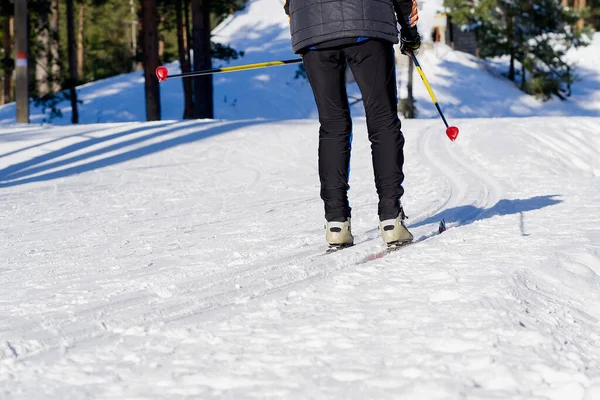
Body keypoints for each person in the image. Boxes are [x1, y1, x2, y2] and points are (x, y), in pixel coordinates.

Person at [284, 0, 421, 248]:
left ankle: (336, 223)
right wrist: (409, 33)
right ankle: (391, 218)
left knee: (332, 126)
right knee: (382, 121)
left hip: (314, 33)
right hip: (368, 25)